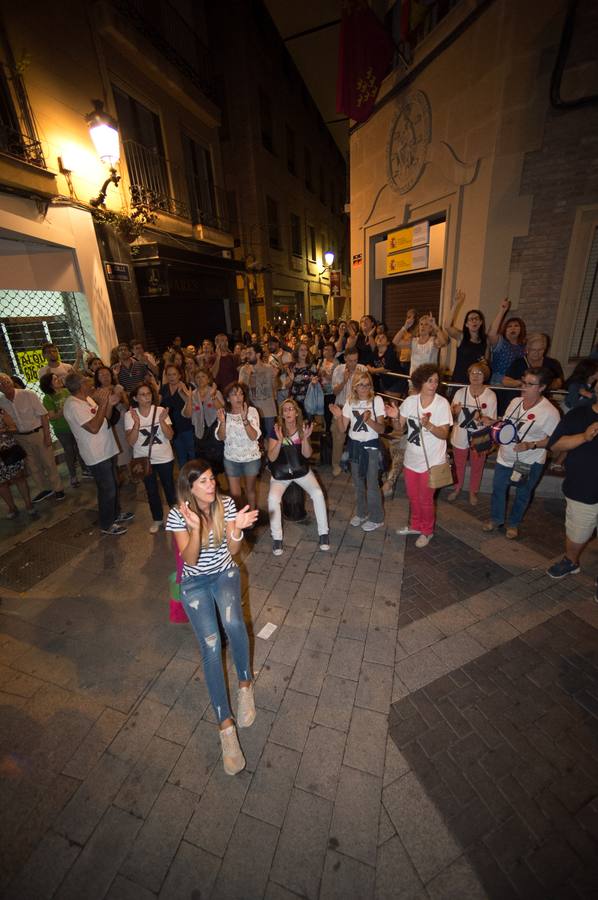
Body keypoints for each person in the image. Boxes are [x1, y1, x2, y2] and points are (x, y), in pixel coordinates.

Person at [166, 459, 258, 774]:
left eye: (210, 478)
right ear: (189, 488)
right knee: (209, 643)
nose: (210, 485)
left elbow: (233, 552)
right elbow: (189, 558)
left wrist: (236, 530)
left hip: (224, 574)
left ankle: (245, 684)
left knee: (233, 623)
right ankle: (226, 728)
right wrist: (194, 528)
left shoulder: (227, 504)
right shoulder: (179, 515)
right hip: (194, 583)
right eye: (203, 481)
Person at [482, 367, 561, 539]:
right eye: (524, 382)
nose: (524, 387)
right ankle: (496, 519)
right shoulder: (515, 402)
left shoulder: (550, 412)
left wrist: (531, 445)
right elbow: (507, 424)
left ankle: (514, 523)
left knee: (523, 494)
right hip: (506, 456)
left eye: (530, 384)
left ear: (542, 387)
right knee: (498, 489)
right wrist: (493, 422)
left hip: (529, 461)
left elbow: (555, 440)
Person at [385, 364, 452, 547]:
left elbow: (445, 434)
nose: (433, 384)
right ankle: (416, 525)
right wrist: (394, 416)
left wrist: (429, 425)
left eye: (436, 381)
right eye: (429, 380)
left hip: (431, 462)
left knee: (426, 500)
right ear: (420, 381)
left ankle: (427, 531)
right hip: (411, 460)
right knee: (413, 497)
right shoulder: (410, 401)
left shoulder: (441, 404)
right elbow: (399, 430)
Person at [63, 372, 134, 535]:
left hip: (106, 448)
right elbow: (94, 427)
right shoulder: (73, 405)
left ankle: (115, 514)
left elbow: (106, 419)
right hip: (95, 454)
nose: (91, 384)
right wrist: (102, 403)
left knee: (113, 484)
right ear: (81, 386)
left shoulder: (86, 399)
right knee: (107, 488)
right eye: (87, 382)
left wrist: (108, 403)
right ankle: (106, 523)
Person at [545, 396, 598, 582]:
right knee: (577, 533)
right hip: (582, 490)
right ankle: (571, 561)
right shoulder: (579, 414)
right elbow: (555, 444)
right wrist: (584, 437)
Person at [267, 399, 330, 555]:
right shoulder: (276, 430)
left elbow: (307, 455)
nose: (288, 412)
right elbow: (272, 458)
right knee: (273, 499)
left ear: (296, 412)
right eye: (285, 410)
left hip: (301, 471)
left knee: (318, 494)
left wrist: (306, 438)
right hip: (281, 474)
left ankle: (323, 533)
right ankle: (277, 538)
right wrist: (280, 441)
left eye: (291, 409)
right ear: (282, 414)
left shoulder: (302, 429)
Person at [330, 370, 386, 532]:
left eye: (367, 384)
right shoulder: (350, 402)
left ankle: (377, 518)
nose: (364, 388)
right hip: (354, 446)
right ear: (354, 386)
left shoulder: (377, 400)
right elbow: (342, 429)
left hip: (371, 447)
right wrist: (339, 416)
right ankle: (362, 513)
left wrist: (369, 421)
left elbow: (381, 429)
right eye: (360, 384)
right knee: (358, 482)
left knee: (372, 483)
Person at [0, 372, 64, 502]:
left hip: (37, 433)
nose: (5, 384)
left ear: (11, 381)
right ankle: (45, 489)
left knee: (48, 462)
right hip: (19, 437)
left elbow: (43, 416)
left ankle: (58, 489)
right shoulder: (1, 402)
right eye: (1, 383)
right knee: (32, 466)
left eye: (6, 380)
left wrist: (47, 436)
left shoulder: (27, 394)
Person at [125, 383, 176, 533]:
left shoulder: (160, 410)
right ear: (135, 397)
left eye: (148, 393)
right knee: (151, 490)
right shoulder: (129, 415)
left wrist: (161, 421)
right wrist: (136, 424)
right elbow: (130, 441)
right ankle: (158, 519)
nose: (146, 397)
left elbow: (170, 435)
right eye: (142, 394)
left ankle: (176, 518)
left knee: (169, 488)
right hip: (143, 460)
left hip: (164, 457)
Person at [448, 362, 497, 505]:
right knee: (459, 464)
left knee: (477, 465)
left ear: (485, 376)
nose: (475, 376)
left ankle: (473, 491)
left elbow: (491, 421)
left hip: (480, 436)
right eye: (472, 373)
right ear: (468, 375)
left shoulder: (491, 395)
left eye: (479, 373)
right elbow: (450, 416)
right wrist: (454, 411)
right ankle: (457, 488)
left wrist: (479, 418)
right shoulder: (460, 392)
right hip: (460, 434)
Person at [216, 382, 261, 512]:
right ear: (228, 398)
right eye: (234, 394)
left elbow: (254, 437)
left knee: (250, 490)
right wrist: (223, 422)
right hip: (231, 458)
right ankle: (239, 518)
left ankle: (252, 518)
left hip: (250, 457)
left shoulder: (251, 411)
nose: (239, 397)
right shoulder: (223, 413)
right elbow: (220, 436)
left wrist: (244, 419)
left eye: (241, 393)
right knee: (235, 494)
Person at [40, 372, 83, 487]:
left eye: (57, 377)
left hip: (75, 425)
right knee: (69, 451)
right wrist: (65, 407)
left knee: (80, 448)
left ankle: (85, 470)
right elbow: (52, 416)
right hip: (62, 429)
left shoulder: (66, 391)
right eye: (55, 379)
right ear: (49, 385)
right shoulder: (48, 398)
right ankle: (73, 476)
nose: (58, 380)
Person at [330, 348, 367, 476]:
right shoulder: (338, 369)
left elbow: (368, 390)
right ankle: (336, 464)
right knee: (338, 436)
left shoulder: (362, 369)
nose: (353, 363)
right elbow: (334, 391)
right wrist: (344, 381)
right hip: (340, 406)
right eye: (350, 361)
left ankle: (358, 463)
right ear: (345, 358)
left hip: (357, 408)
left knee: (359, 437)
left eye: (355, 360)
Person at [487, 298, 526, 412]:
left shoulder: (524, 348)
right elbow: (491, 333)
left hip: (517, 388)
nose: (513, 328)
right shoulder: (501, 344)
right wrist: (502, 311)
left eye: (516, 326)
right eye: (509, 326)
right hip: (498, 386)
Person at [444, 291, 488, 384]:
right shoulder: (461, 336)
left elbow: (486, 364)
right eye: (471, 319)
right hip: (459, 380)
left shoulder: (485, 341)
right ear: (466, 324)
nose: (474, 321)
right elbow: (447, 326)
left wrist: (484, 363)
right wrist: (455, 304)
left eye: (476, 318)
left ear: (481, 322)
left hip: (476, 382)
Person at [0, 408, 37, 519]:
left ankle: (28, 504)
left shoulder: (1, 412)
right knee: (1, 483)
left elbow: (13, 428)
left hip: (8, 450)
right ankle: (12, 507)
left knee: (19, 477)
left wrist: (2, 430)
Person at [238, 344, 277, 438]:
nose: (247, 356)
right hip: (252, 410)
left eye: (250, 353)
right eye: (246, 353)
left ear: (258, 355)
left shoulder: (269, 368)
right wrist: (248, 374)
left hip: (268, 411)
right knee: (256, 440)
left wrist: (276, 378)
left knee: (270, 439)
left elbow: (276, 387)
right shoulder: (244, 369)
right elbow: (240, 390)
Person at [160, 364, 195, 465]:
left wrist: (183, 393)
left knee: (192, 454)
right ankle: (184, 479)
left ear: (180, 375)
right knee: (180, 456)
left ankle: (195, 478)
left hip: (187, 425)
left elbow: (194, 407)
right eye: (169, 375)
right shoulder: (164, 388)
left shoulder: (188, 386)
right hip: (173, 427)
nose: (171, 377)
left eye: (174, 374)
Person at [288, 343, 318, 412]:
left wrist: (313, 382)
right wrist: (291, 379)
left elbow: (316, 385)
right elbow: (287, 386)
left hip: (309, 400)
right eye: (301, 350)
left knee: (308, 422)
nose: (304, 352)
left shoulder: (312, 367)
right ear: (296, 352)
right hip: (294, 401)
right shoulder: (292, 366)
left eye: (306, 350)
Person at [317, 343, 339, 434]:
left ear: (333, 352)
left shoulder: (336, 362)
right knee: (325, 412)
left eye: (329, 349)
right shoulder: (322, 361)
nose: (326, 351)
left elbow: (336, 378)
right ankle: (326, 430)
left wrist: (325, 374)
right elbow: (319, 375)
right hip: (322, 391)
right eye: (325, 349)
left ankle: (329, 432)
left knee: (330, 413)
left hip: (331, 391)